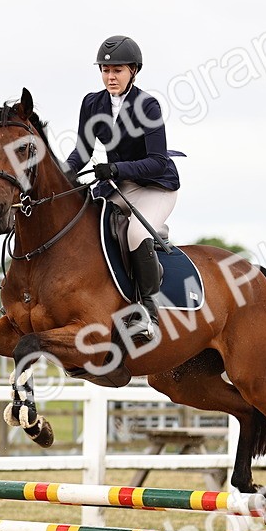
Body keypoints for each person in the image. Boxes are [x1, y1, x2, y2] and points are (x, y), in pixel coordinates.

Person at [65, 35, 180, 344]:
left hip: (155, 186)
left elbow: (156, 161)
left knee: (135, 234)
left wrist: (117, 168)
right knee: (83, 225)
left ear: (133, 71)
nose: (110, 76)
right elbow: (82, 152)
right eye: (105, 70)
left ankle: (147, 310)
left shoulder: (147, 105)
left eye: (117, 70)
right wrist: (61, 174)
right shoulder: (92, 103)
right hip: (118, 186)